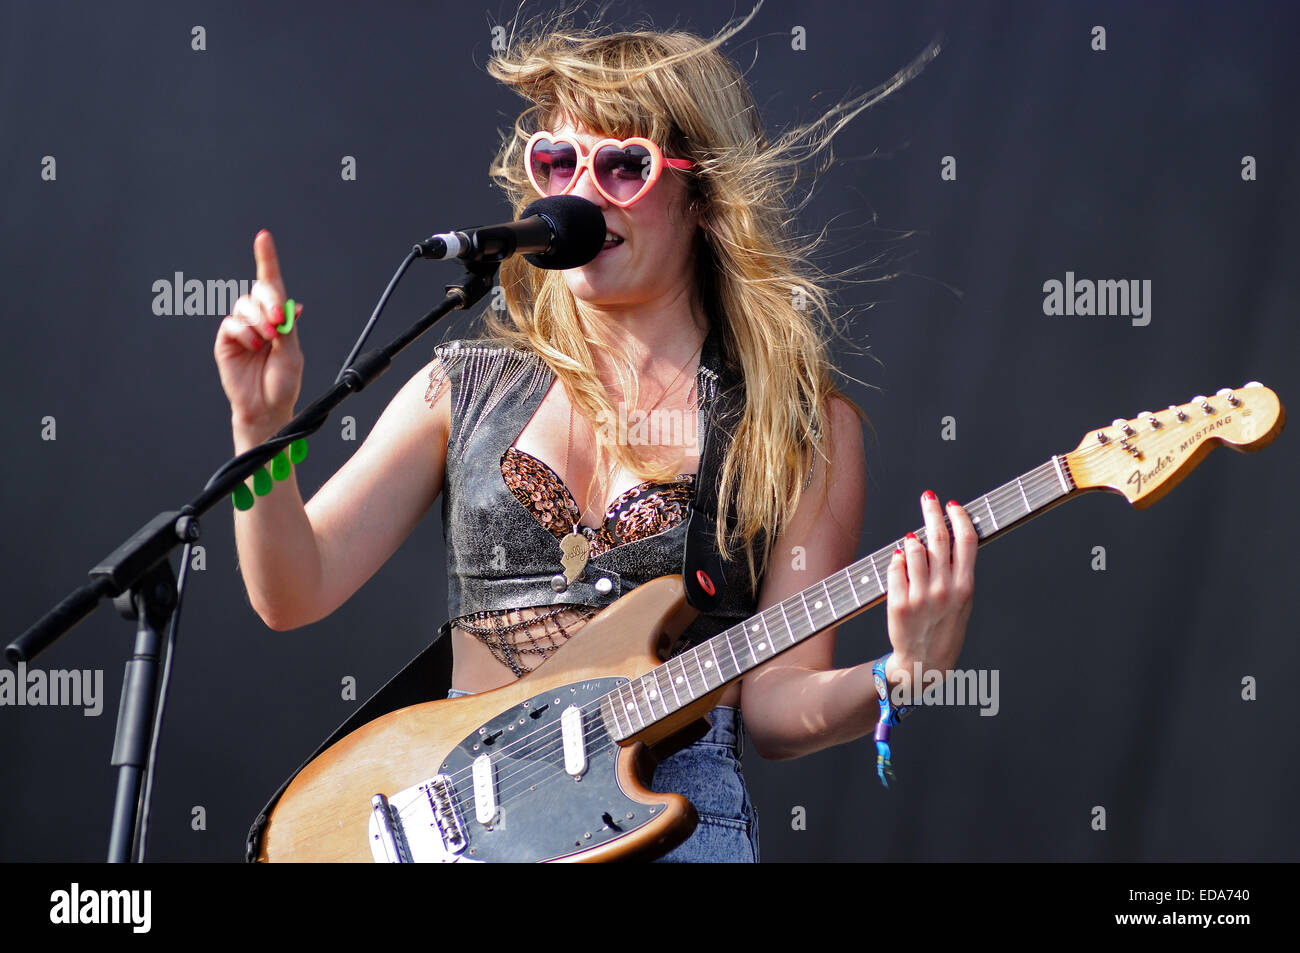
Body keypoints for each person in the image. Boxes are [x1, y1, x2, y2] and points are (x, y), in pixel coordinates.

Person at [214, 15, 977, 863]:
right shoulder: (461, 386)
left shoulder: (794, 427)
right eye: (558, 161)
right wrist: (262, 429)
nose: (583, 191)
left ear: (704, 198)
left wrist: (903, 673)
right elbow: (292, 588)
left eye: (624, 164)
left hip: (665, 826)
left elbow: (775, 708)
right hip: (461, 830)